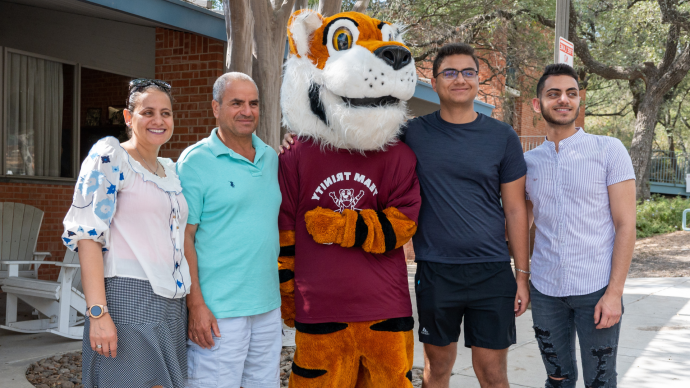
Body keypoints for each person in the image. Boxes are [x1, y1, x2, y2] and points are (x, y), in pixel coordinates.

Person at [282, 42, 531, 388]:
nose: (460, 79)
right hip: (436, 270)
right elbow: (355, 131)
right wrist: (301, 136)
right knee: (437, 369)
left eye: (468, 72)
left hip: (490, 270)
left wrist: (521, 273)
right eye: (450, 72)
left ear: (477, 80)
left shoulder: (502, 136)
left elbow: (516, 208)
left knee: (492, 373)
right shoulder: (410, 133)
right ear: (435, 79)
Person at [62, 78, 190, 388]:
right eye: (148, 112)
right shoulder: (111, 158)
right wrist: (97, 313)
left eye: (166, 113)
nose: (158, 120)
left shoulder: (169, 171)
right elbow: (88, 235)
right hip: (128, 299)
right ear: (128, 117)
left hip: (173, 307)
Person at [525, 64, 636, 388]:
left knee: (600, 381)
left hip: (597, 288)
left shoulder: (608, 150)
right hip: (545, 291)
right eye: (554, 93)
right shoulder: (529, 163)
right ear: (538, 104)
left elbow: (626, 224)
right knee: (557, 379)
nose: (564, 100)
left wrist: (615, 293)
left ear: (579, 101)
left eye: (571, 93)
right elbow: (521, 223)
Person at [177, 72, 282, 388]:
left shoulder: (271, 158)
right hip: (219, 311)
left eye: (253, 103)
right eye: (236, 103)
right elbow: (184, 236)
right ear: (216, 107)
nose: (247, 111)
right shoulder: (195, 162)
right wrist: (195, 304)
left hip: (267, 306)